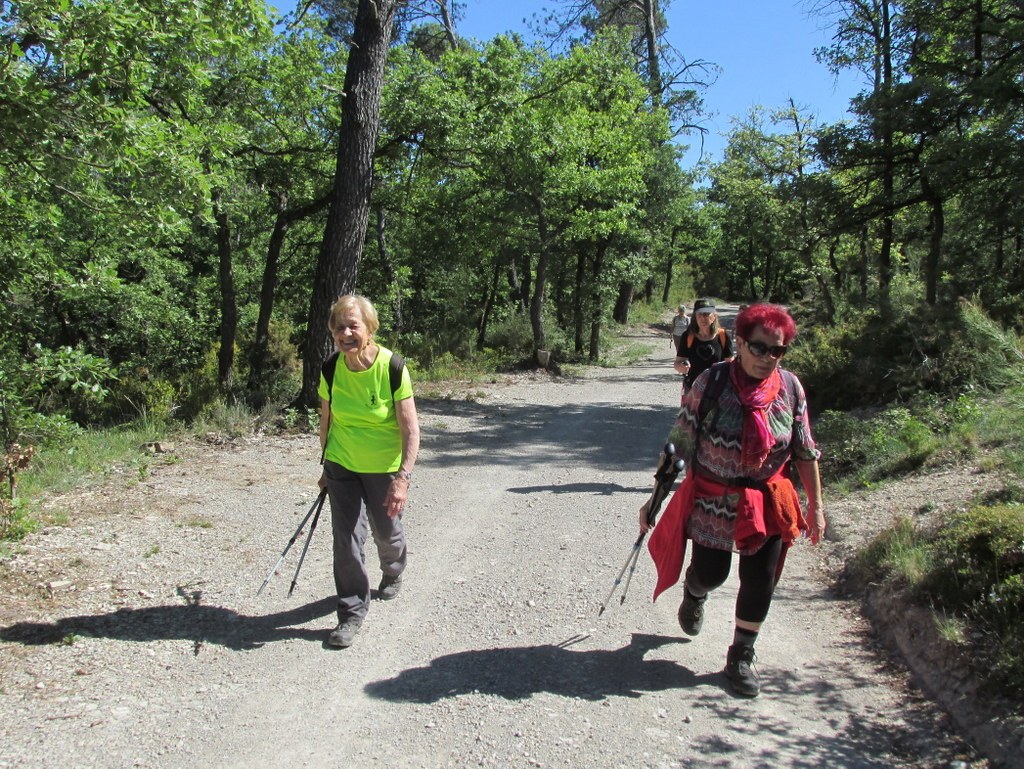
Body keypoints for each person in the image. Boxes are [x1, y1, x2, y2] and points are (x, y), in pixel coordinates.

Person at [640, 303, 825, 697]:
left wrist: (817, 508)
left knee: (760, 579)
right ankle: (695, 590)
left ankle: (741, 654)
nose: (768, 358)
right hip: (714, 496)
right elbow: (680, 444)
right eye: (760, 348)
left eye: (778, 351)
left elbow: (805, 451)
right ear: (739, 342)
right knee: (713, 572)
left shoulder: (790, 389)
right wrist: (654, 501)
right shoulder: (713, 383)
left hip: (769, 496)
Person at [318, 294, 420, 649]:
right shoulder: (331, 368)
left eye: (353, 325)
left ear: (370, 328)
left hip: (384, 467)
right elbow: (326, 420)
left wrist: (403, 479)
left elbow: (410, 429)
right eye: (338, 327)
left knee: (386, 531)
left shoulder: (392, 367)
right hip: (342, 463)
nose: (345, 333)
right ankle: (351, 612)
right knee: (346, 539)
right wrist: (324, 466)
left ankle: (393, 570)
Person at [674, 298, 733, 393]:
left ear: (714, 316)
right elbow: (677, 363)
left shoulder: (723, 336)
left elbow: (730, 365)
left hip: (718, 391)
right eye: (699, 314)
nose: (702, 318)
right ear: (695, 317)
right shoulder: (688, 336)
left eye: (706, 314)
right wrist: (681, 367)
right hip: (693, 390)